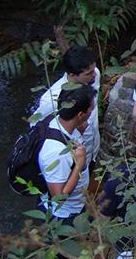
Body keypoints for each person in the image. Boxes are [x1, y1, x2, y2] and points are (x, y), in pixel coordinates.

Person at [32, 45, 100, 166]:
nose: (94, 74)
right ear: (72, 75)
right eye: (89, 73)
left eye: (94, 69)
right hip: (72, 157)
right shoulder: (52, 99)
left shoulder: (93, 77)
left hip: (93, 147)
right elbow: (35, 126)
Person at [38, 85, 97, 223]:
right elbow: (59, 198)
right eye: (90, 109)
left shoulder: (61, 123)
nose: (92, 111)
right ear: (80, 115)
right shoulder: (56, 152)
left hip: (77, 206)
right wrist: (79, 164)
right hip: (63, 216)